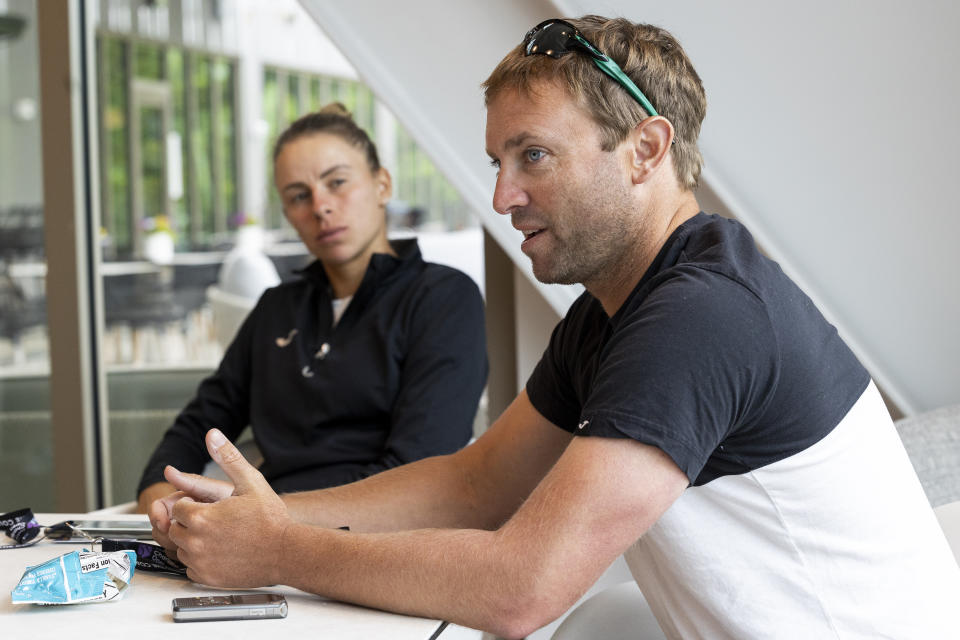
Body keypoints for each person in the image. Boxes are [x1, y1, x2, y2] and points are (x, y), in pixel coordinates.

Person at [147, 16, 960, 638]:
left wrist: (280, 550)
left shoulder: (701, 313)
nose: (502, 197)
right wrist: (266, 513)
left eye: (533, 155)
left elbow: (521, 588)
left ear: (645, 149)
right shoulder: (615, 310)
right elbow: (474, 485)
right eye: (498, 161)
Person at [136, 103, 488, 512]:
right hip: (260, 537)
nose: (320, 206)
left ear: (382, 184)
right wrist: (163, 502)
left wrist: (268, 518)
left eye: (337, 182)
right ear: (288, 214)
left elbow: (416, 474)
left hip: (381, 542)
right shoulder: (278, 308)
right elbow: (197, 426)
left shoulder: (442, 298)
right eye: (299, 196)